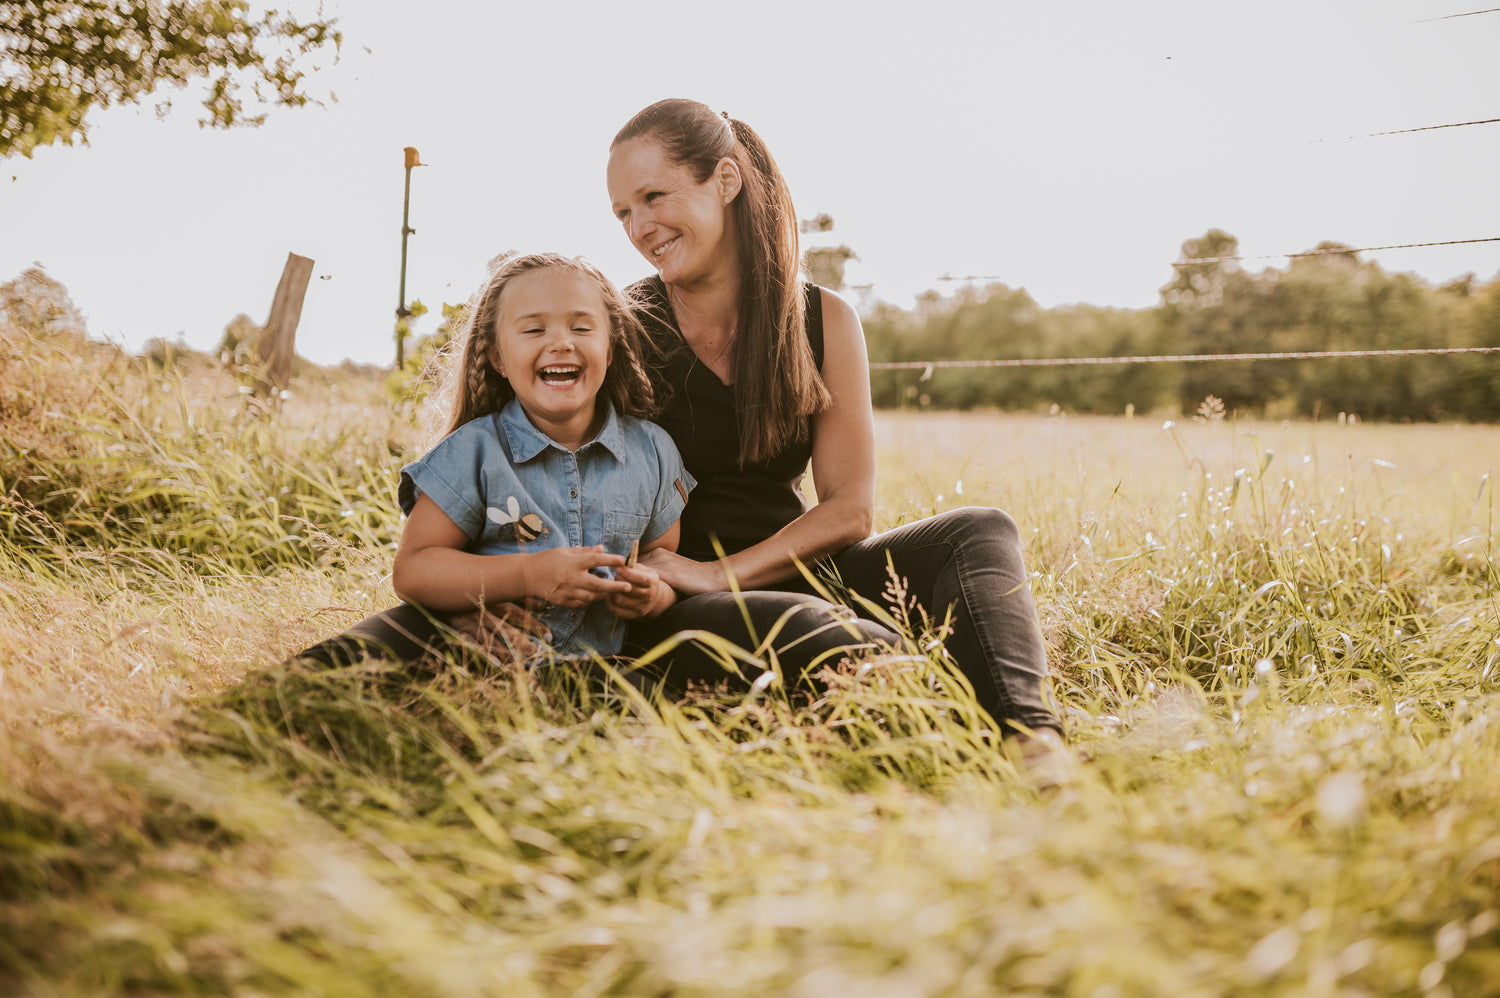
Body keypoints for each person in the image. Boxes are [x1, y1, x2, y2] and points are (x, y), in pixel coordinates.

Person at [601, 98, 1066, 763]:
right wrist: (692, 580)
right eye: (623, 212)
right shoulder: (620, 327)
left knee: (980, 530)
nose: (640, 226)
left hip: (793, 571)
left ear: (724, 181)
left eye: (654, 197)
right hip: (672, 597)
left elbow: (850, 509)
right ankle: (930, 720)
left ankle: (1034, 744)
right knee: (843, 637)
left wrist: (722, 573)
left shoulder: (824, 319)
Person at [297, 252, 693, 666]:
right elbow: (414, 570)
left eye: (581, 327)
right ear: (498, 358)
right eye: (534, 329)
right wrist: (531, 575)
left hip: (598, 667)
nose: (560, 342)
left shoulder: (653, 452)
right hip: (477, 656)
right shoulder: (474, 452)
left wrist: (652, 596)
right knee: (347, 659)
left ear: (610, 348)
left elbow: (661, 565)